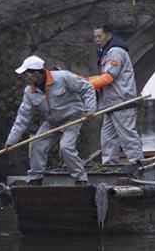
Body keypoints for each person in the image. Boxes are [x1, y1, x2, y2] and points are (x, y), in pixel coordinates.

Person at [5, 55, 97, 185]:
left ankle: (80, 178)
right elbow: (22, 117)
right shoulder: (29, 92)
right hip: (52, 122)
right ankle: (35, 179)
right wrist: (11, 141)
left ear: (36, 74)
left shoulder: (62, 77)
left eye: (26, 75)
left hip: (73, 118)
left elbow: (87, 87)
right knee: (37, 144)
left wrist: (90, 109)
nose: (24, 78)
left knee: (65, 147)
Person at [87, 25, 144, 165]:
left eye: (99, 36)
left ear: (109, 36)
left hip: (122, 102)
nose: (97, 40)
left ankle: (137, 163)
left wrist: (85, 86)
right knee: (107, 138)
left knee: (127, 135)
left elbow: (108, 77)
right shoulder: (106, 53)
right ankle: (109, 166)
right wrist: (84, 81)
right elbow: (103, 77)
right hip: (110, 104)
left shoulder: (115, 52)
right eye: (95, 37)